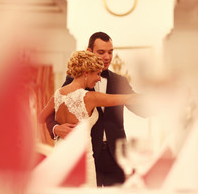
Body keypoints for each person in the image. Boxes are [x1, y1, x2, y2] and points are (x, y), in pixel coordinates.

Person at [46, 32, 145, 187]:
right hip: (90, 154)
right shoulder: (72, 81)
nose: (107, 57)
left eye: (110, 52)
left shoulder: (120, 81)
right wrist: (56, 128)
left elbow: (140, 108)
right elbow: (51, 113)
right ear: (89, 51)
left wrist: (163, 103)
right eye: (101, 52)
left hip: (116, 155)